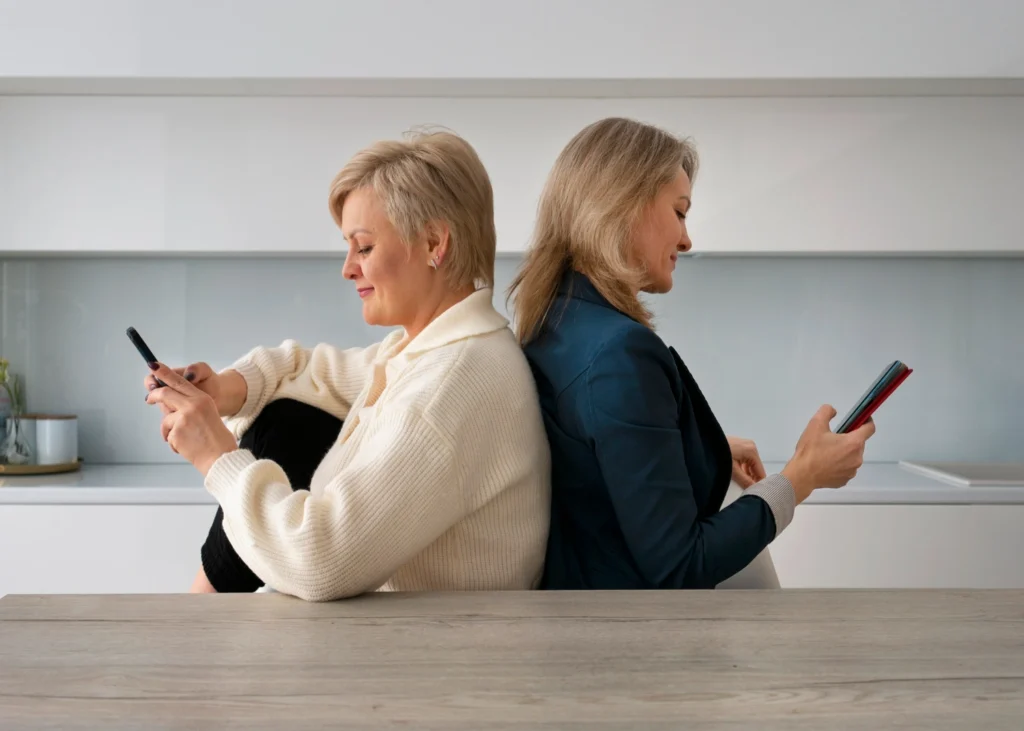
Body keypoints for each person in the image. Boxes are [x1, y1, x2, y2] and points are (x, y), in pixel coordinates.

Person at [144, 130, 551, 601]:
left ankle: (195, 619)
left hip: (426, 665)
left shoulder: (448, 390)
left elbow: (320, 560)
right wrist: (224, 390)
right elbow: (307, 370)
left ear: (435, 242)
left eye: (364, 247)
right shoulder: (435, 350)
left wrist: (216, 456)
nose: (347, 268)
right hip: (406, 648)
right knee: (287, 419)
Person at [508, 117, 876, 590]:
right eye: (679, 213)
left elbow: (597, 465)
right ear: (624, 208)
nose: (686, 239)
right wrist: (801, 477)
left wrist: (705, 448)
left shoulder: (556, 321)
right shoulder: (620, 355)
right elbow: (681, 564)